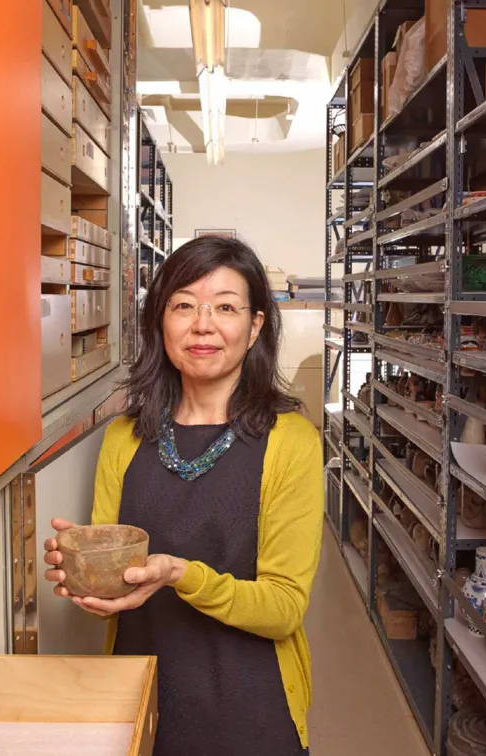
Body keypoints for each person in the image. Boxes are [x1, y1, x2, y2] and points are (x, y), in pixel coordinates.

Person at [43, 236, 323, 756]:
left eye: (225, 307)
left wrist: (180, 574)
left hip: (250, 708)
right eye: (184, 306)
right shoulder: (124, 437)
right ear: (160, 320)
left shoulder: (291, 442)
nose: (203, 325)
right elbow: (116, 578)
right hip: (143, 695)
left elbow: (284, 607)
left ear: (255, 325)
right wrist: (87, 577)